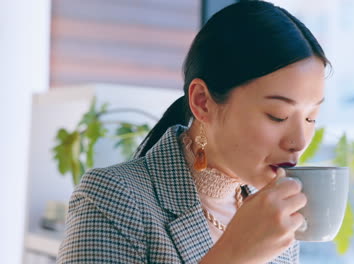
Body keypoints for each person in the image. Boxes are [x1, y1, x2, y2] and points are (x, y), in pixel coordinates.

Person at [57, 1, 329, 263]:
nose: (299, 141)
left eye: (310, 117)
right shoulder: (111, 199)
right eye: (277, 116)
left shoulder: (275, 214)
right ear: (202, 102)